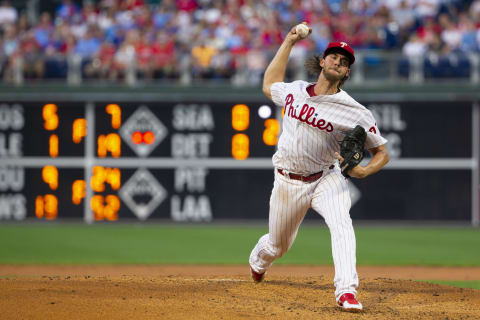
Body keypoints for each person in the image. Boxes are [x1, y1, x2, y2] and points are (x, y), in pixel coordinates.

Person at [248, 22, 390, 312]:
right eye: (335, 57)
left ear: (347, 72)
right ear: (322, 62)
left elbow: (382, 153)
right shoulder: (295, 90)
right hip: (288, 181)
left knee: (342, 225)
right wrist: (288, 41)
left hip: (327, 177)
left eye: (345, 61)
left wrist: (363, 171)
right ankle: (259, 261)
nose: (339, 61)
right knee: (277, 246)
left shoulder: (355, 111)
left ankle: (346, 291)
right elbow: (268, 84)